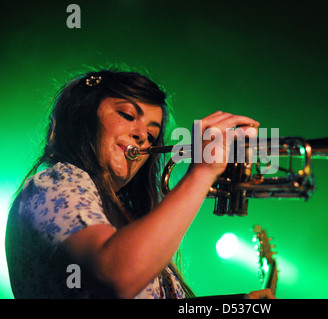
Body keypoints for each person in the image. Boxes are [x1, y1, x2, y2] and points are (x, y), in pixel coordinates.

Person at [5, 68, 276, 299]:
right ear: (84, 115)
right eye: (126, 115)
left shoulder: (126, 224)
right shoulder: (55, 181)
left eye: (152, 133)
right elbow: (116, 274)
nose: (142, 136)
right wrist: (203, 172)